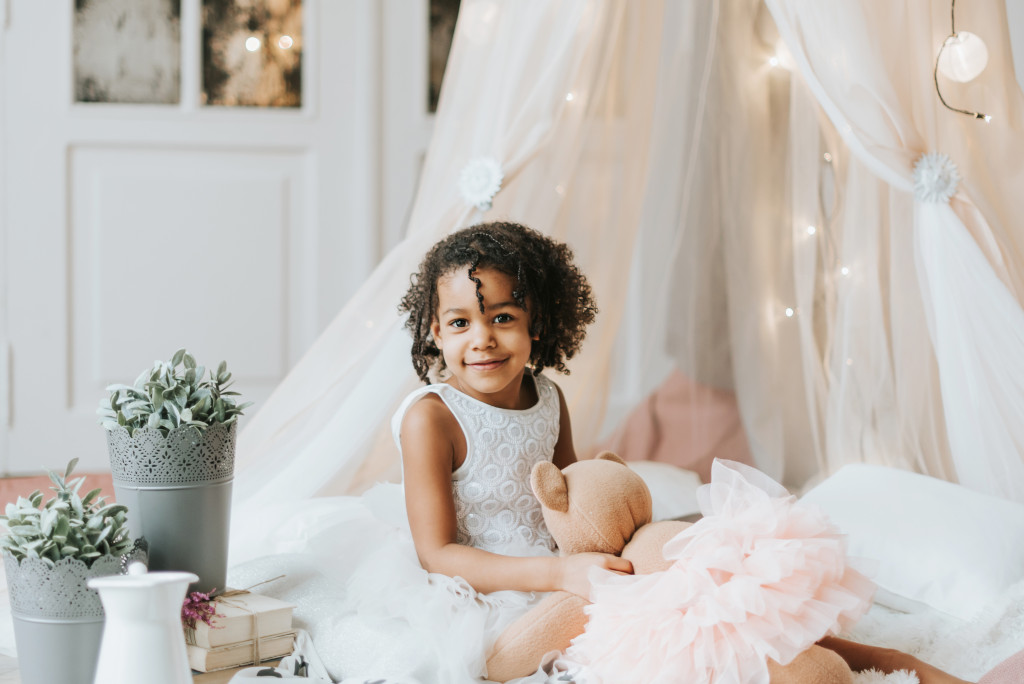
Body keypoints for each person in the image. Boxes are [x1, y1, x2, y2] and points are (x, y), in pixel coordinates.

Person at [229, 221, 972, 684]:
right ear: (432, 333)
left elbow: (572, 503)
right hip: (490, 594)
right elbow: (439, 555)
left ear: (538, 325)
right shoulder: (432, 417)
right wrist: (564, 575)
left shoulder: (547, 396)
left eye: (503, 317)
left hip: (572, 568)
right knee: (666, 628)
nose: (480, 339)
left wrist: (625, 541)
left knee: (712, 583)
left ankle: (884, 662)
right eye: (457, 323)